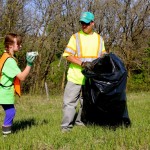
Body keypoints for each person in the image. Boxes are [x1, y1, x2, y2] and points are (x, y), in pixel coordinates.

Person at [61, 12, 107, 132]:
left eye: (86, 23)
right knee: (69, 103)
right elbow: (67, 55)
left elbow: (103, 55)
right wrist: (82, 64)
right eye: (82, 23)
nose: (83, 26)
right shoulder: (75, 37)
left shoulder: (99, 39)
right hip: (75, 76)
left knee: (86, 103)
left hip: (91, 79)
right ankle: (66, 127)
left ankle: (80, 123)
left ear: (93, 23)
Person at [0, 33, 36, 135]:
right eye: (18, 44)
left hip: (4, 91)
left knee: (10, 112)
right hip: (3, 92)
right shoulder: (9, 61)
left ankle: (7, 134)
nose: (20, 46)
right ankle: (6, 136)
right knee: (11, 112)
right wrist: (29, 64)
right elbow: (22, 77)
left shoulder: (5, 56)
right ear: (10, 45)